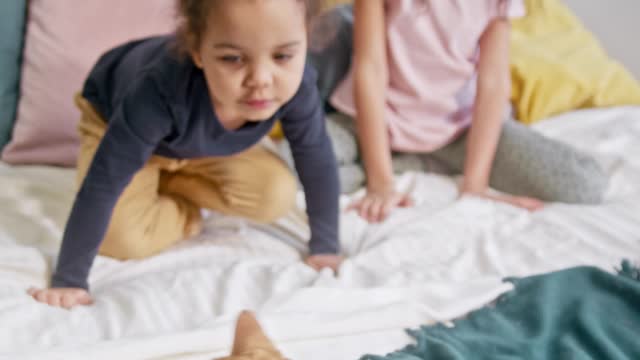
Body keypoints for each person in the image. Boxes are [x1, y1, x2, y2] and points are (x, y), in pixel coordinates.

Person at [28, 0, 342, 309]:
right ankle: (180, 209)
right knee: (122, 239)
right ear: (196, 49)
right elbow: (104, 182)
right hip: (116, 120)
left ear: (306, 38)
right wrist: (69, 279)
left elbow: (315, 154)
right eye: (233, 58)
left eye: (283, 56)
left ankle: (171, 184)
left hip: (199, 145)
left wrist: (325, 245)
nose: (261, 79)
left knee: (276, 195)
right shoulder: (156, 91)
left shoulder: (296, 87)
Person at [316, 0, 608, 223]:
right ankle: (394, 163)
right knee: (300, 165)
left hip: (457, 132)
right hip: (377, 121)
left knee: (585, 185)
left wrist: (475, 184)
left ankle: (414, 164)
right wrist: (380, 182)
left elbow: (493, 83)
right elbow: (370, 70)